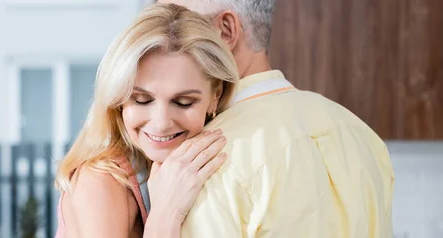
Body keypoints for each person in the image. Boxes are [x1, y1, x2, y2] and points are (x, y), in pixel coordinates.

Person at [156, 0, 396, 237]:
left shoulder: (199, 166)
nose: (161, 38)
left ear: (226, 31)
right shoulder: (359, 133)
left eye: (178, 24)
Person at [54, 4, 240, 238]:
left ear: (216, 96)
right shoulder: (100, 182)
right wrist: (165, 214)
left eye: (183, 102)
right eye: (141, 100)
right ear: (118, 99)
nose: (161, 123)